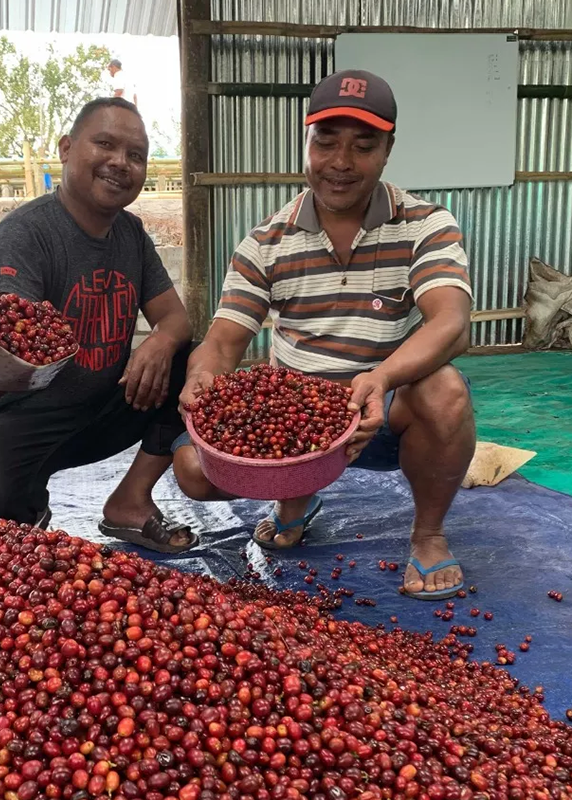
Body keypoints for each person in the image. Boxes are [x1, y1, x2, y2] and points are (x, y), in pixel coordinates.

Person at [173, 70, 476, 600]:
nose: (341, 163)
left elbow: (450, 323)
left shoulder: (425, 224)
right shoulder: (265, 241)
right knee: (193, 470)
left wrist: (379, 380)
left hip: (384, 408)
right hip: (298, 430)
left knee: (445, 390)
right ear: (306, 141)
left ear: (387, 150)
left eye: (363, 146)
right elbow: (223, 341)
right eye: (326, 142)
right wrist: (202, 377)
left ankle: (428, 534)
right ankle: (297, 494)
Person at [0, 97, 196, 553]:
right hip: (21, 417)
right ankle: (24, 501)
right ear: (66, 149)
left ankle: (130, 502)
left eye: (135, 155)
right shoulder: (24, 235)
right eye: (105, 144)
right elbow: (13, 337)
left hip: (103, 408)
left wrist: (159, 342)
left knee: (190, 359)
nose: (120, 163)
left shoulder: (131, 235)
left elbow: (175, 317)